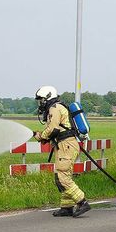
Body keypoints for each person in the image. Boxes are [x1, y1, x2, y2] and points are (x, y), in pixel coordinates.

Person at [34, 86, 90, 217]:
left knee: (62, 176)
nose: (40, 103)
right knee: (63, 174)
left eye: (41, 100)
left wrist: (41, 136)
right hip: (65, 145)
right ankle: (67, 207)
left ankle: (82, 202)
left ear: (48, 97)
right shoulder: (57, 107)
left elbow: (53, 128)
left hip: (66, 145)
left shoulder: (55, 108)